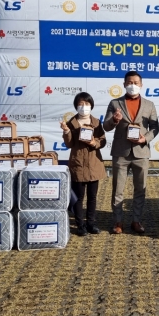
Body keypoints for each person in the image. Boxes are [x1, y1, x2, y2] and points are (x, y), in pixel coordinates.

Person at [103, 71, 159, 234]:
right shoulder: (115, 103)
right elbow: (106, 126)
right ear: (124, 84)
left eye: (135, 82)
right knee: (118, 189)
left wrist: (145, 139)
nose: (132, 85)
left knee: (140, 189)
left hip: (141, 152)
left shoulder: (149, 104)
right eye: (129, 82)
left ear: (141, 85)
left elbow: (155, 128)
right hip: (121, 152)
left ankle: (136, 220)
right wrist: (114, 120)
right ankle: (118, 221)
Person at [60, 92, 107, 236]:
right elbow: (69, 144)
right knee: (79, 198)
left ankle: (91, 223)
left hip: (93, 164)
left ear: (91, 105)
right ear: (76, 106)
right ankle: (80, 225)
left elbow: (103, 140)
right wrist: (66, 131)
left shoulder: (96, 122)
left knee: (92, 197)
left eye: (87, 104)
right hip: (78, 164)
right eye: (80, 104)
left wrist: (94, 142)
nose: (84, 107)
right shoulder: (71, 123)